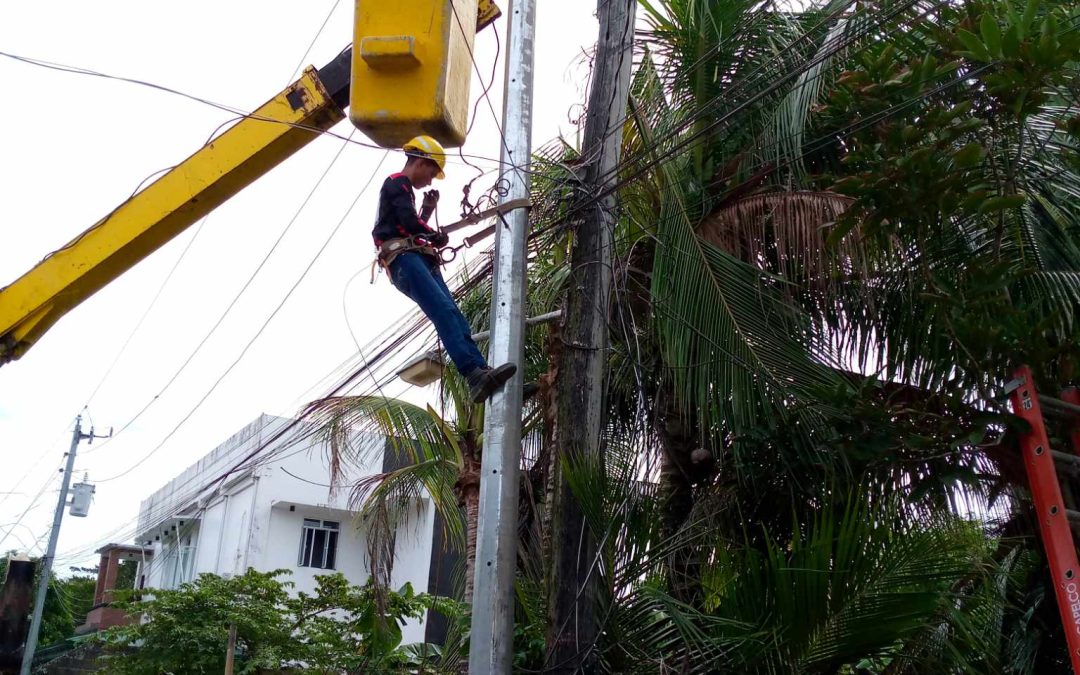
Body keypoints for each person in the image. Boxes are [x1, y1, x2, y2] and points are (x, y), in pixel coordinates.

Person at [373, 135, 516, 403]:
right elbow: (408, 225)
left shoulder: (404, 190)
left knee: (453, 315)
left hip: (414, 258)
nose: (429, 180)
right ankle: (473, 373)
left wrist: (426, 213)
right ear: (421, 161)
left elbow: (408, 226)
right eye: (431, 172)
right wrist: (433, 235)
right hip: (404, 260)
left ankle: (480, 371)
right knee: (443, 311)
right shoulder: (397, 182)